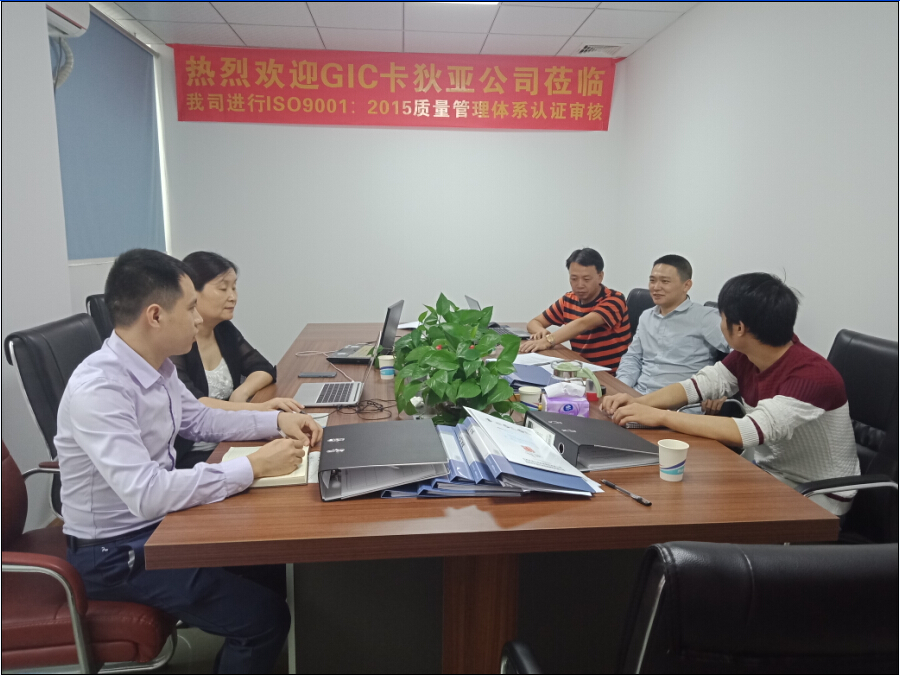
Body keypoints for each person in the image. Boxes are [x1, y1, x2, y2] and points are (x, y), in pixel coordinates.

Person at [56, 248, 323, 674]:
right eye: (191, 308)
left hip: (156, 527)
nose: (199, 320)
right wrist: (253, 467)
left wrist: (276, 422)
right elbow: (147, 494)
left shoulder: (157, 368)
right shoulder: (101, 389)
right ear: (155, 315)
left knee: (272, 567)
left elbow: (200, 419)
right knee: (264, 620)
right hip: (114, 553)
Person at [602, 272, 859, 516]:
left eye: (722, 317)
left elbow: (750, 431)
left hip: (816, 495)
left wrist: (660, 416)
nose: (720, 323)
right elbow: (698, 386)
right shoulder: (749, 355)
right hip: (766, 473)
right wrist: (638, 403)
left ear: (739, 328)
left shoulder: (812, 376)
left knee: (686, 508)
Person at [172, 251, 302, 467]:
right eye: (223, 288)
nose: (233, 296)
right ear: (192, 292)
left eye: (234, 288)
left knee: (296, 453)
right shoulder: (176, 343)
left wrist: (241, 393)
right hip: (195, 453)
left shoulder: (223, 329)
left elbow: (263, 368)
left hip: (231, 436)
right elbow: (196, 405)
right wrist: (262, 409)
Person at [616, 254, 730, 395]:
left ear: (686, 285)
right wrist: (622, 387)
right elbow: (633, 357)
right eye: (652, 280)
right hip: (639, 394)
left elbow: (740, 351)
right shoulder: (646, 316)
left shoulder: (705, 317)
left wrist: (720, 390)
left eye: (665, 281)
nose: (656, 287)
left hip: (679, 402)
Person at [520, 248, 632, 372]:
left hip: (612, 374)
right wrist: (541, 332)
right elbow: (534, 322)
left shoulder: (615, 299)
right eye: (574, 279)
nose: (579, 285)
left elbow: (583, 324)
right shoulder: (568, 300)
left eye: (586, 279)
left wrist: (548, 341)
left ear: (600, 276)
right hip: (582, 369)